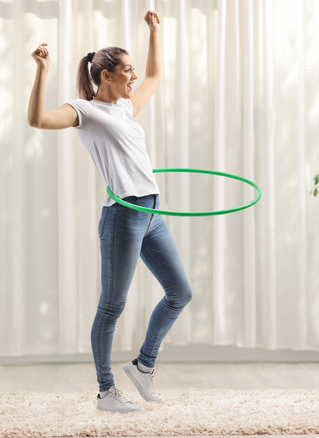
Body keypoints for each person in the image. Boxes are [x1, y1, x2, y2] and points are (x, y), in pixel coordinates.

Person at [27, 10, 193, 413]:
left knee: (180, 293)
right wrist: (42, 70)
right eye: (126, 72)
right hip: (123, 216)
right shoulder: (85, 111)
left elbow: (154, 77)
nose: (133, 78)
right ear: (106, 75)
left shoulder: (125, 108)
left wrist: (155, 32)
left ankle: (143, 366)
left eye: (132, 71)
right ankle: (105, 392)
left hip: (152, 213)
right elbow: (37, 120)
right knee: (112, 306)